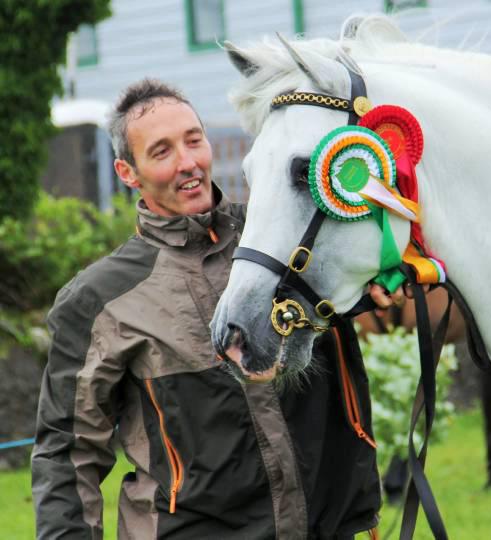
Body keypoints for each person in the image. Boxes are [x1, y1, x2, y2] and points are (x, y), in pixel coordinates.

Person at [31, 78, 401, 539]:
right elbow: (69, 453)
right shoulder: (97, 299)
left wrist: (388, 282)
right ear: (128, 172)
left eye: (193, 140)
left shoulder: (290, 239)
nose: (188, 163)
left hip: (330, 525)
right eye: (162, 151)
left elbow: (375, 273)